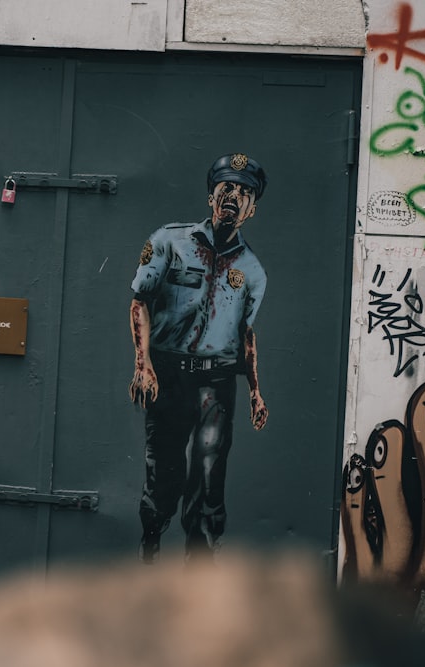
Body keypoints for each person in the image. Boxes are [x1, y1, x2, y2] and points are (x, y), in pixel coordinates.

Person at [128, 153, 269, 562]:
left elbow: (246, 335)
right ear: (211, 196)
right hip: (169, 375)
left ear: (251, 209)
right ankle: (150, 546)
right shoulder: (168, 241)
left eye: (244, 193)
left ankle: (200, 571)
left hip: (217, 383)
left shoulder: (252, 270)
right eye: (226, 188)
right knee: (165, 470)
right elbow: (140, 303)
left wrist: (256, 392)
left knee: (209, 475)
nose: (234, 197)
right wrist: (143, 364)